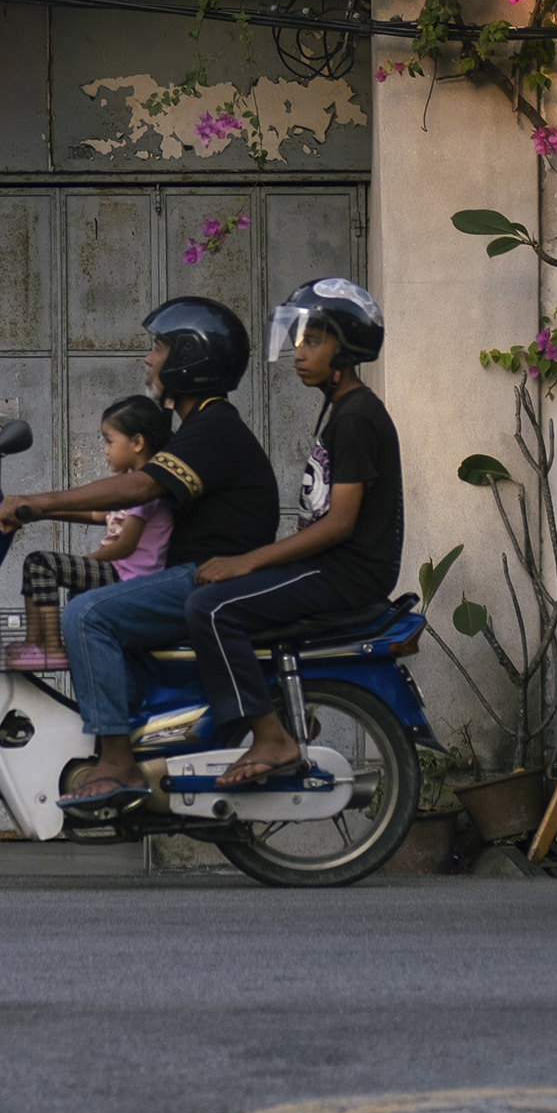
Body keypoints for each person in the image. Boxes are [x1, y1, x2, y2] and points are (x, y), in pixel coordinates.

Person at [0, 295, 279, 810]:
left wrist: (38, 501)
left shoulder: (214, 430)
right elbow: (114, 508)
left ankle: (116, 760)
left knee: (88, 614)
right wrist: (37, 509)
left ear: (191, 358)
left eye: (159, 347)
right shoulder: (202, 429)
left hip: (209, 577)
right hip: (195, 573)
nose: (148, 358)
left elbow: (138, 490)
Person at [182, 275, 403, 789]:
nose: (300, 353)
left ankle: (270, 736)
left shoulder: (356, 419)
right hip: (333, 568)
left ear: (346, 350)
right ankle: (271, 713)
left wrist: (250, 561)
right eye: (299, 339)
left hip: (343, 575)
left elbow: (341, 522)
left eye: (315, 341)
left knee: (209, 609)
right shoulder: (344, 410)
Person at [13, 394, 173, 664]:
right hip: (118, 571)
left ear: (137, 443)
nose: (105, 450)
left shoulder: (144, 488)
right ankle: (34, 642)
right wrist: (40, 512)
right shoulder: (127, 483)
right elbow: (96, 513)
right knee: (39, 566)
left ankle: (51, 648)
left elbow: (126, 545)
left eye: (109, 441)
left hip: (129, 579)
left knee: (41, 564)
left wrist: (86, 560)